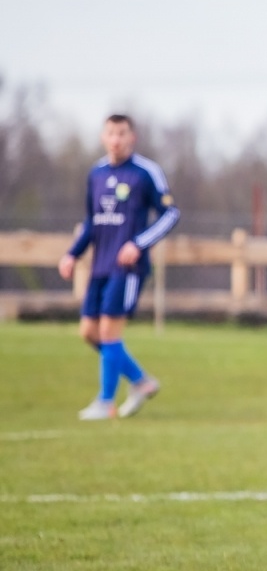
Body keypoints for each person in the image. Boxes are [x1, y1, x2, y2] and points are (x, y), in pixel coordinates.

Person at [56, 115, 179, 420]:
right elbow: (91, 222)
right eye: (111, 133)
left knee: (109, 331)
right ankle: (140, 381)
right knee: (89, 332)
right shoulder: (96, 173)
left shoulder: (145, 172)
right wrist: (72, 254)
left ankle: (105, 402)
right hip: (100, 264)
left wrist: (138, 244)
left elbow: (170, 214)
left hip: (128, 268)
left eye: (122, 133)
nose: (116, 139)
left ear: (132, 137)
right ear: (103, 137)